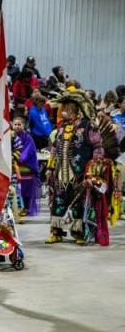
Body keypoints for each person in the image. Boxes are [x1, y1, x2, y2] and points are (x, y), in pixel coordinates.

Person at [46, 91, 104, 245]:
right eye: (63, 108)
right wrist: (50, 168)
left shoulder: (87, 126)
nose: (63, 111)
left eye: (66, 109)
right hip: (61, 172)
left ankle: (78, 232)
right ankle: (56, 231)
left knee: (78, 203)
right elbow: (54, 149)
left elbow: (98, 147)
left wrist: (94, 168)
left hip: (79, 172)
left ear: (75, 110)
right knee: (58, 201)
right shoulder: (61, 128)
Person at [12, 117, 41, 216]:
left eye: (19, 124)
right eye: (15, 124)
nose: (17, 126)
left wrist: (17, 158)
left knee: (28, 189)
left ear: (24, 126)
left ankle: (28, 208)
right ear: (12, 125)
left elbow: (28, 151)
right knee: (17, 189)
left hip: (27, 168)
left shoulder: (28, 138)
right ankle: (18, 208)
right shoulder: (10, 136)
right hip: (15, 167)